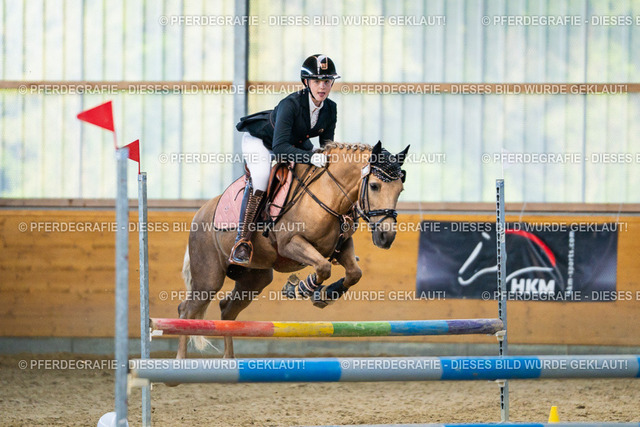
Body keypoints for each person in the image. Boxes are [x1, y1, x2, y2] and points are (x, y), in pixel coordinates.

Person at [229, 54, 340, 265]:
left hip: (294, 141)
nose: (322, 86)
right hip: (262, 141)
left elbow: (327, 146)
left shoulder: (330, 108)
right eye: (317, 81)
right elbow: (280, 149)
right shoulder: (291, 104)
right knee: (261, 177)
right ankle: (242, 241)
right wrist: (310, 157)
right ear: (306, 82)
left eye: (327, 81)